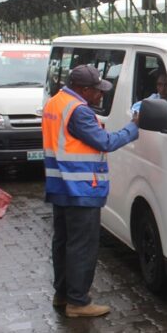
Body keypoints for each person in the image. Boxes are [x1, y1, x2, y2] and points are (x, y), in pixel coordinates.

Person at [42, 65, 139, 318]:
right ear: (84, 90)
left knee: (62, 243)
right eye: (98, 91)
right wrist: (134, 126)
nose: (101, 95)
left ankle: (62, 294)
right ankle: (78, 302)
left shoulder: (55, 102)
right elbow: (106, 142)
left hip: (60, 185)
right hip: (80, 188)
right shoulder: (79, 112)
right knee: (82, 246)